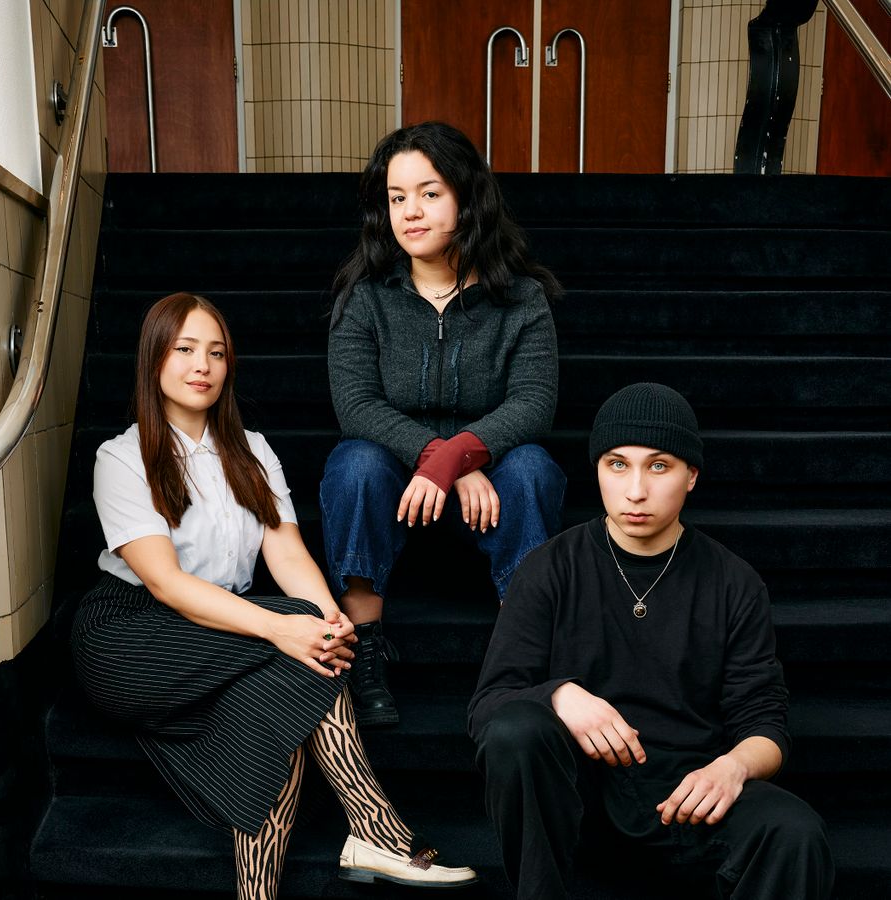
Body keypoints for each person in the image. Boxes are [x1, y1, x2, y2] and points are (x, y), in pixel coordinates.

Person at [71, 292, 478, 898]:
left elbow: (285, 553)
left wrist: (331, 619)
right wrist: (285, 625)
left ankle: (263, 890)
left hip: (216, 629)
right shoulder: (122, 456)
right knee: (293, 632)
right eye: (185, 350)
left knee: (283, 700)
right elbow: (166, 584)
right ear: (154, 359)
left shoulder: (252, 450)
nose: (202, 366)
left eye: (216, 353)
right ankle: (378, 832)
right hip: (130, 635)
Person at [468, 383, 834, 899]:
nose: (635, 490)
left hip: (689, 801)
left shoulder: (733, 581)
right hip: (579, 805)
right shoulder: (549, 568)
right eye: (617, 465)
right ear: (598, 470)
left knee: (795, 832)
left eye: (659, 466)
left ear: (691, 476)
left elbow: (765, 723)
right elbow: (487, 708)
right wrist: (558, 695)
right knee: (517, 729)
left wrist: (732, 768)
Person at [321, 121, 567, 726]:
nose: (410, 212)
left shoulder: (521, 299)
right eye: (396, 197)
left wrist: (462, 456)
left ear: (467, 197)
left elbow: (534, 404)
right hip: (397, 483)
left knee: (533, 467)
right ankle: (364, 647)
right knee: (354, 462)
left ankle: (520, 655)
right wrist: (439, 458)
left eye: (429, 193)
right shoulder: (365, 297)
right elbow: (357, 407)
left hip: (491, 483)